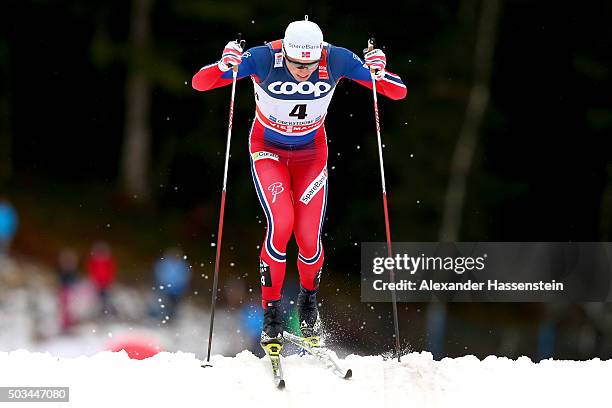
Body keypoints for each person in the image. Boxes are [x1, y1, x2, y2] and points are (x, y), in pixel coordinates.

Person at [192, 17, 406, 352]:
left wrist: (380, 71)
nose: (302, 70)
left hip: (310, 155)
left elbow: (397, 91)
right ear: (286, 53)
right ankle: (271, 313)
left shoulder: (336, 58)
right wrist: (224, 64)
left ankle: (307, 305)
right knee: (282, 224)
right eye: (295, 64)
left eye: (309, 64)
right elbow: (200, 84)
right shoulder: (264, 58)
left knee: (308, 239)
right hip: (268, 151)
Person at [151, 247, 191, 321]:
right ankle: (163, 318)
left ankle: (171, 319)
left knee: (174, 306)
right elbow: (159, 274)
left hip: (177, 290)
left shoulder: (182, 265)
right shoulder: (164, 263)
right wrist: (163, 285)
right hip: (165, 289)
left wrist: (180, 287)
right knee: (164, 304)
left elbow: (185, 276)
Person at [86, 241, 117, 316]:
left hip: (106, 282)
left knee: (107, 297)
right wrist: (94, 280)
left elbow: (111, 270)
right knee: (99, 298)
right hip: (98, 283)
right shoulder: (94, 260)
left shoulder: (107, 260)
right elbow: (91, 271)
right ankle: (102, 311)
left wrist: (109, 280)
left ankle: (108, 311)